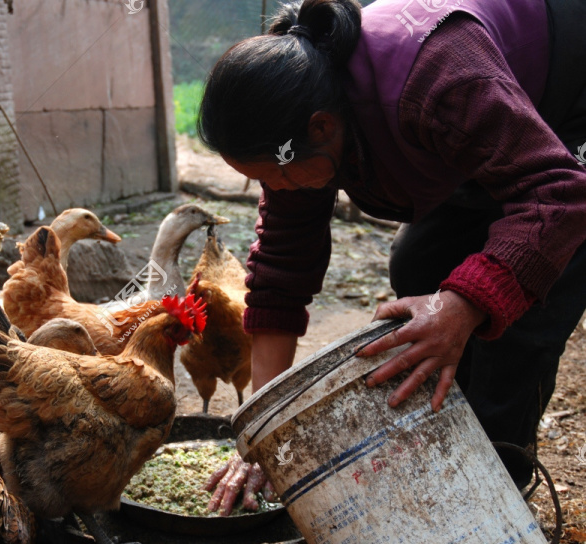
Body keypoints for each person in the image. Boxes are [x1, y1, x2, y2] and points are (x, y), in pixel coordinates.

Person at [198, 0, 586, 506]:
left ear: (321, 128)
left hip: (567, 109)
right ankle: (446, 441)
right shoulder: (296, 132)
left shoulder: (439, 79)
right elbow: (279, 274)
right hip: (479, 126)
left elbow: (559, 196)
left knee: (521, 320)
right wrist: (265, 436)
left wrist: (463, 306)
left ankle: (494, 489)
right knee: (419, 265)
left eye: (276, 175)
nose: (276, 189)